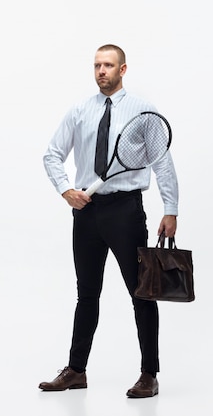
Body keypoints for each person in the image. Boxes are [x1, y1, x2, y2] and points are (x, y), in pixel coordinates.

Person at [40, 44, 179, 398]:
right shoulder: (81, 110)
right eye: (97, 65)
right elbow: (53, 154)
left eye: (109, 65)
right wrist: (66, 191)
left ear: (123, 69)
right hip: (86, 213)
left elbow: (161, 161)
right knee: (86, 294)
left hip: (125, 212)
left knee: (141, 293)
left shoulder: (142, 110)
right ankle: (76, 370)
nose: (102, 71)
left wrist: (171, 208)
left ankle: (149, 374)